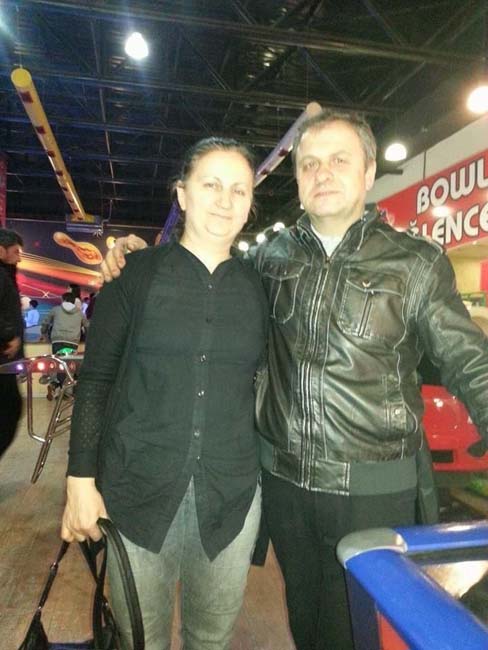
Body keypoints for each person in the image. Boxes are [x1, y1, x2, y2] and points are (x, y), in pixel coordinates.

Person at [101, 109, 488, 650]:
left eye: (339, 160)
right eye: (309, 164)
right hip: (286, 489)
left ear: (368, 172)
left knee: (366, 633)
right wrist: (137, 258)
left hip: (373, 489)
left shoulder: (416, 263)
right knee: (308, 625)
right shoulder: (268, 259)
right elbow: (203, 274)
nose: (322, 173)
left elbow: (470, 360)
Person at [61, 137, 268, 650]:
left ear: (250, 204)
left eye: (239, 190)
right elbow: (96, 380)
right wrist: (80, 480)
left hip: (231, 497)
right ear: (182, 194)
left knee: (211, 639)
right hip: (136, 489)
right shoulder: (134, 275)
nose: (224, 200)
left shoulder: (261, 288)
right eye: (211, 184)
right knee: (140, 639)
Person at [0, 229, 24, 459]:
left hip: (5, 362)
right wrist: (8, 336)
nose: (19, 258)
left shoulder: (6, 276)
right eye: (16, 252)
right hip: (3, 359)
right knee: (10, 412)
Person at [40, 292, 88, 399]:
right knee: (69, 366)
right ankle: (65, 391)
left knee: (58, 364)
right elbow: (87, 326)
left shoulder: (56, 310)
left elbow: (45, 322)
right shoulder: (80, 313)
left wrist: (43, 333)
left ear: (63, 299)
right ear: (73, 301)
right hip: (72, 342)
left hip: (57, 341)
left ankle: (55, 385)